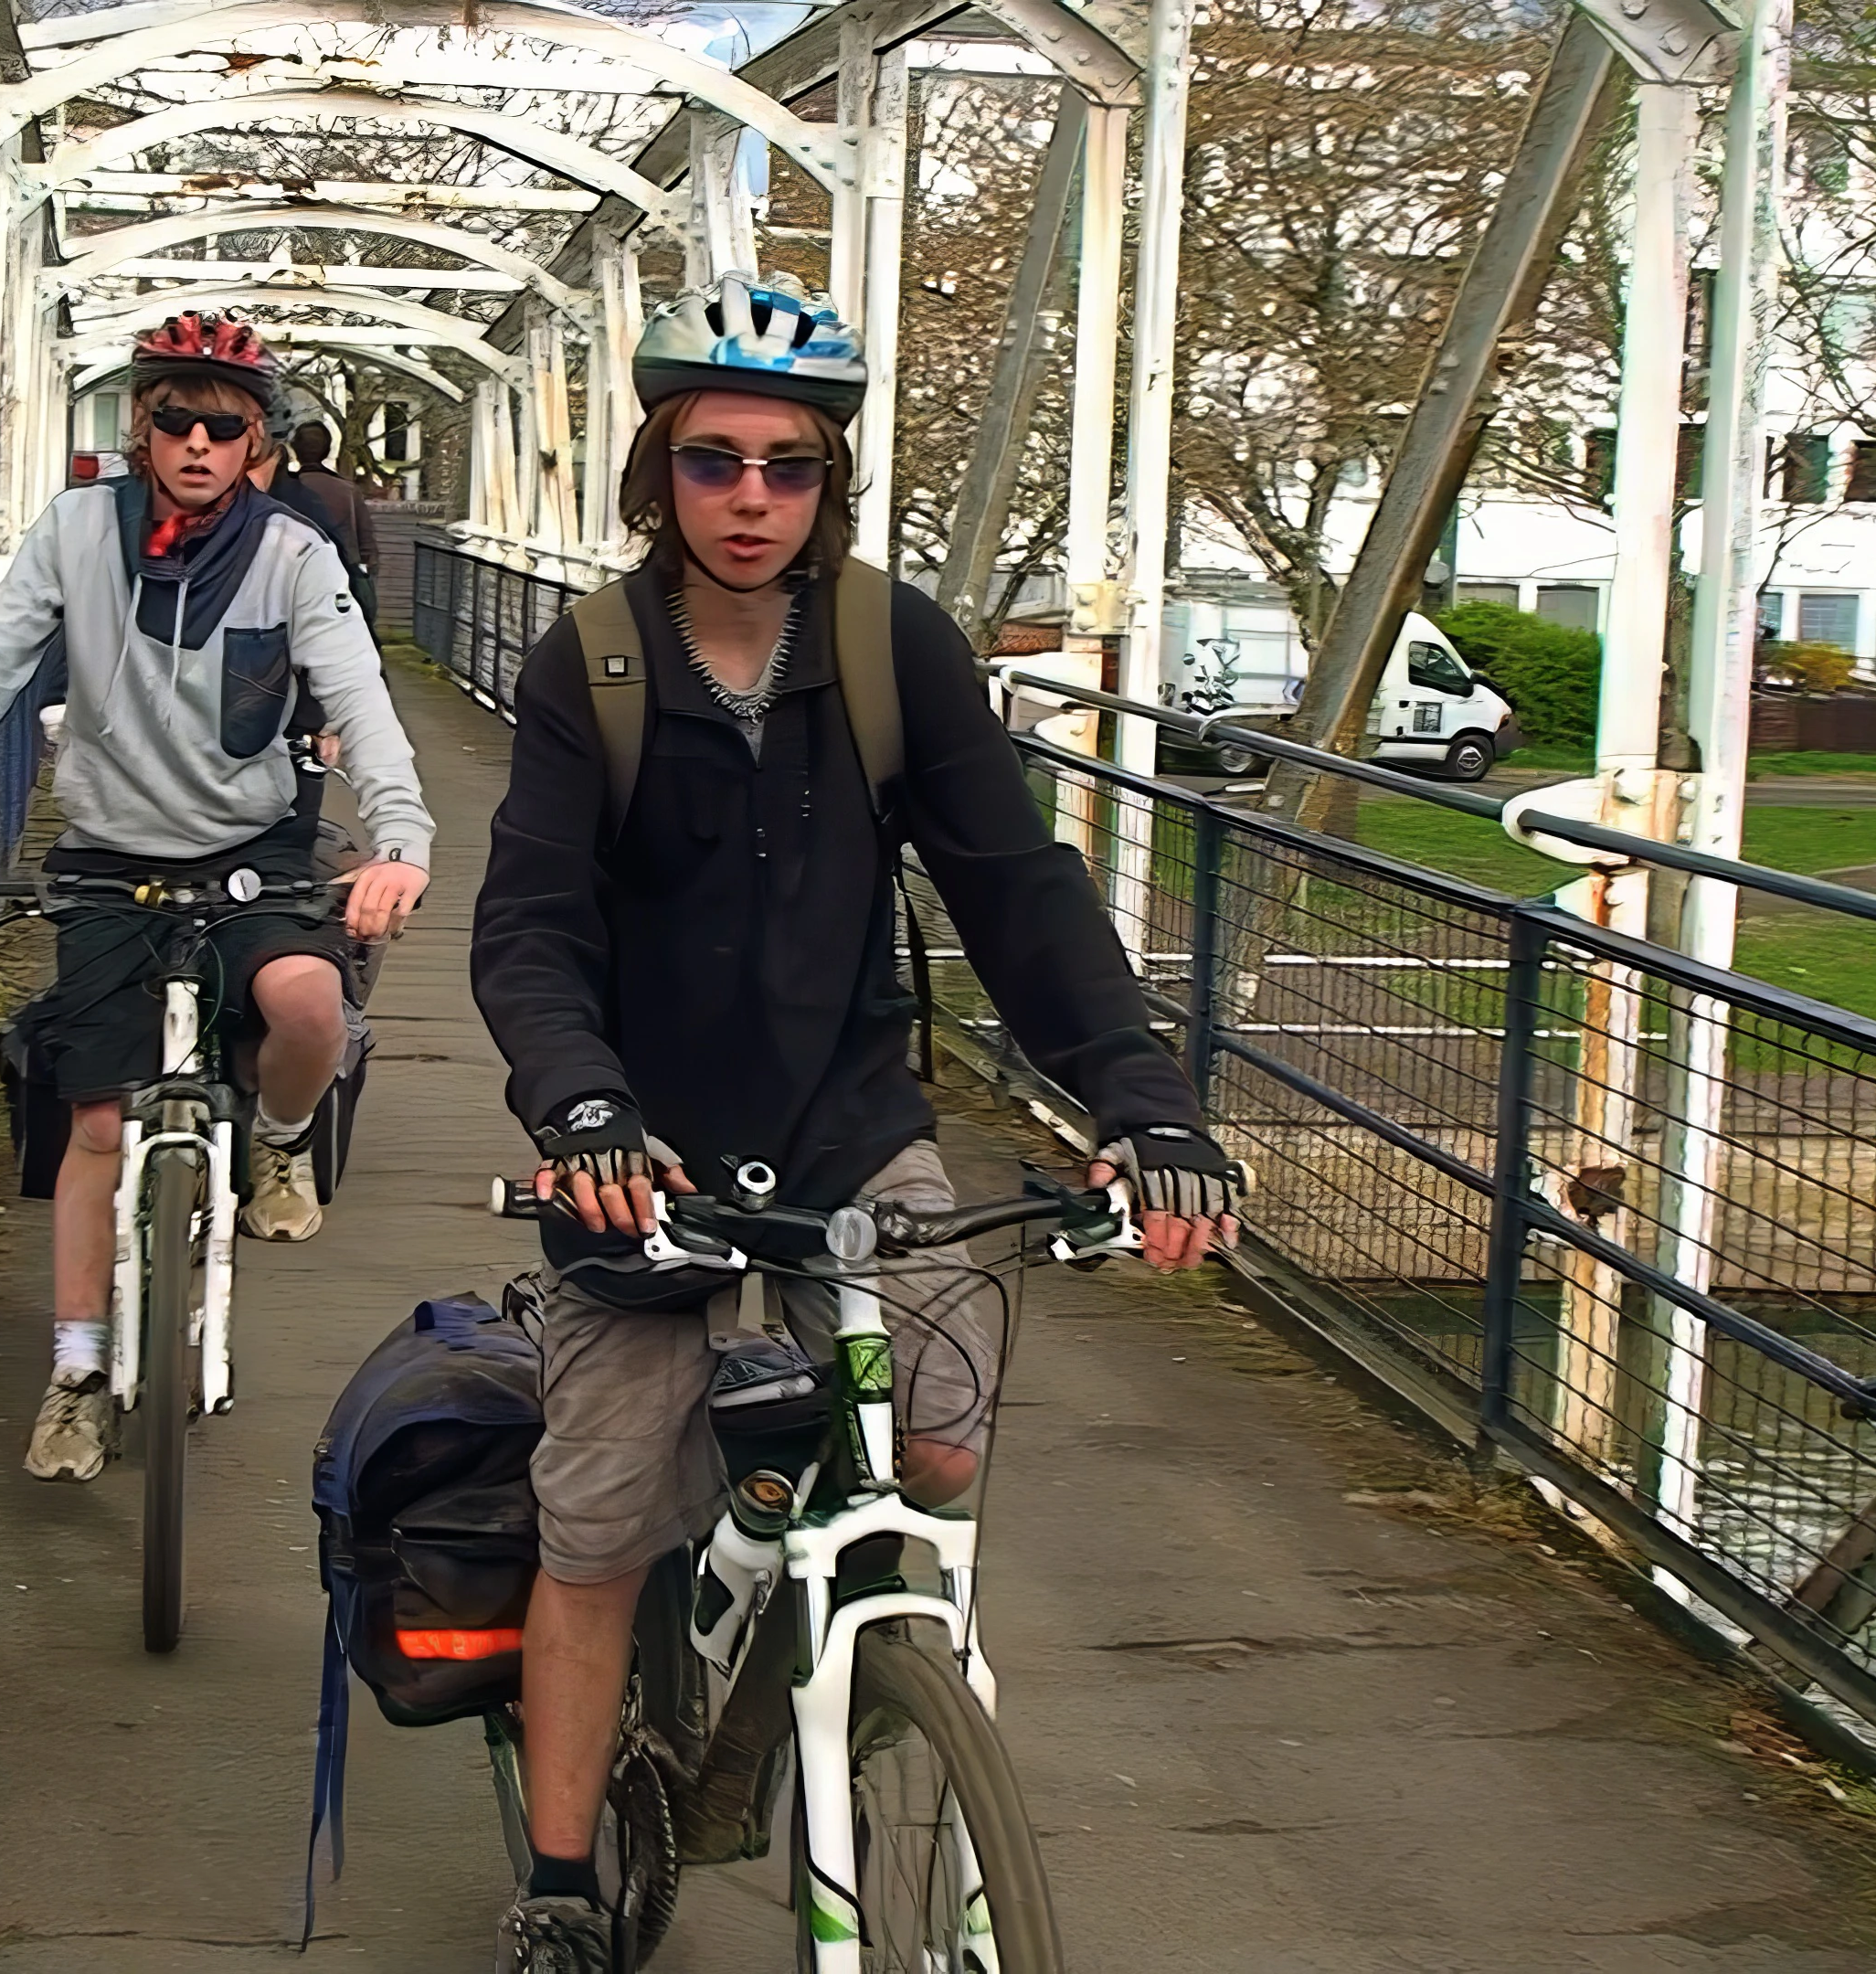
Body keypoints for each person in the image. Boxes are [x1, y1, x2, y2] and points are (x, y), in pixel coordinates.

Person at [464, 272, 1243, 1973]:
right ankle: (561, 1876)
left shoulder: (897, 652)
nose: (753, 500)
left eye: (791, 466)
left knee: (941, 1434)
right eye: (717, 462)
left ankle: (877, 1671)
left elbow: (1020, 895)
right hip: (642, 1150)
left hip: (849, 1124)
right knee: (597, 1526)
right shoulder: (587, 662)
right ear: (658, 474)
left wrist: (1146, 1104)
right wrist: (582, 1103)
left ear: (832, 483)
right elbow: (531, 922)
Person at [0, 312, 434, 1483]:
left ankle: (282, 1141)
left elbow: (365, 699)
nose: (197, 440)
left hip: (254, 848)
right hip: (109, 858)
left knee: (310, 1009)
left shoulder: (296, 558)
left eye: (224, 424)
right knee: (96, 1122)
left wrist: (400, 840)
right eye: (175, 419)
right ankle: (78, 1368)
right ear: (142, 431)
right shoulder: (77, 533)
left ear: (259, 444)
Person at [273, 420, 380, 620]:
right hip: (339, 584)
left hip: (288, 583)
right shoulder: (348, 491)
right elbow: (367, 548)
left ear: (295, 449)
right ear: (327, 449)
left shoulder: (278, 490)